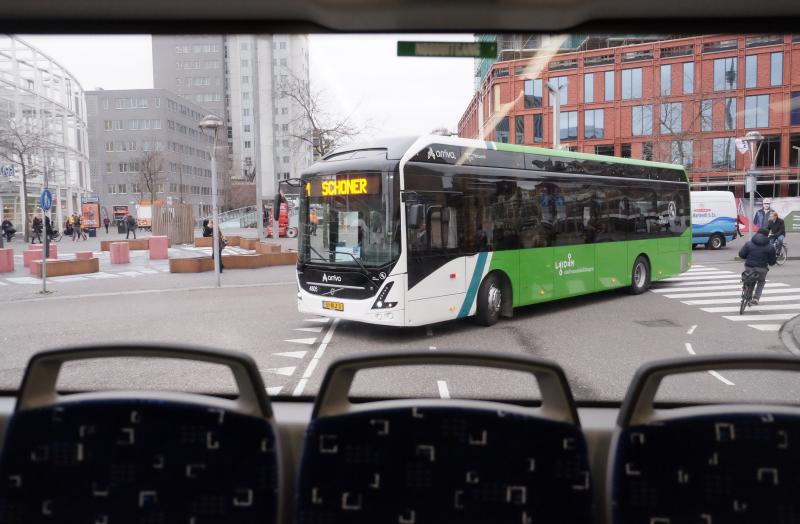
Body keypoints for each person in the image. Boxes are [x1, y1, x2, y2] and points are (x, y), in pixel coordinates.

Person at [738, 227, 777, 305]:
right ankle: (756, 298)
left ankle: (747, 295)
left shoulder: (749, 243)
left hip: (749, 266)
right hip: (762, 268)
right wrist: (770, 262)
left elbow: (741, 254)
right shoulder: (770, 246)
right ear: (767, 236)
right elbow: (772, 261)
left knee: (749, 279)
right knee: (761, 281)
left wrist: (748, 257)